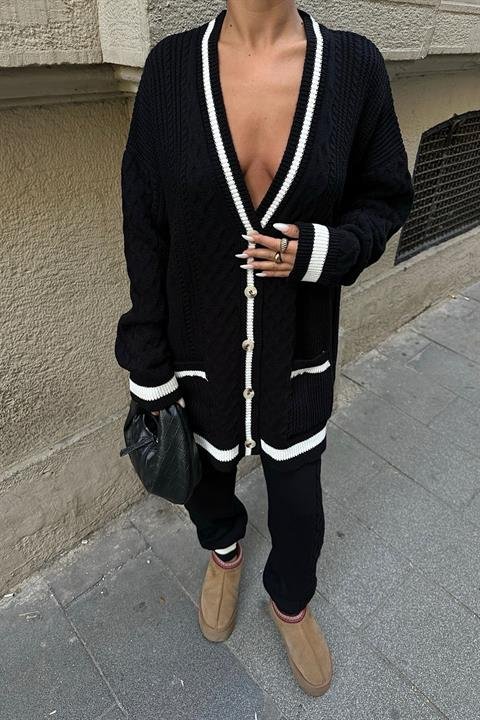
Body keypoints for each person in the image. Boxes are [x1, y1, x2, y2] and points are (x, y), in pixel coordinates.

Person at [114, 0, 415, 697]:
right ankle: (224, 552)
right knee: (206, 483)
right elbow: (144, 221)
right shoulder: (169, 71)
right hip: (197, 351)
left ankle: (290, 598)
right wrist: (148, 361)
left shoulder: (353, 68)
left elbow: (386, 197)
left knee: (300, 502)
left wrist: (323, 250)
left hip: (298, 353)